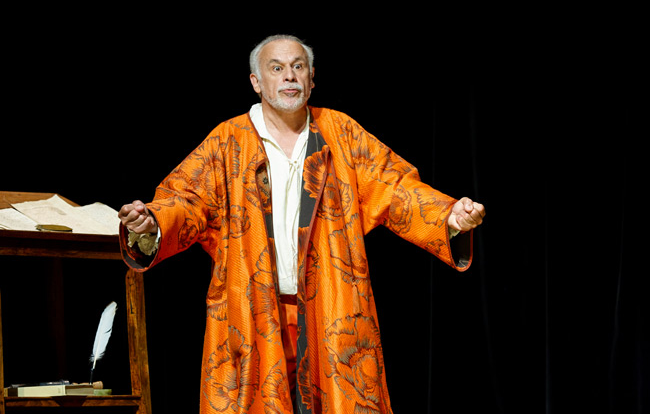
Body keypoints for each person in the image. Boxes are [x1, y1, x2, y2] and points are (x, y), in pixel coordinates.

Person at [118, 34, 485, 414]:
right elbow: (186, 200)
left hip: (332, 309)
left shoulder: (340, 132)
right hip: (253, 311)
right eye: (276, 68)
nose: (289, 76)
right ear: (256, 81)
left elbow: (395, 188)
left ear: (312, 78)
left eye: (298, 67)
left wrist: (448, 216)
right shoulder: (227, 141)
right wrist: (152, 223)